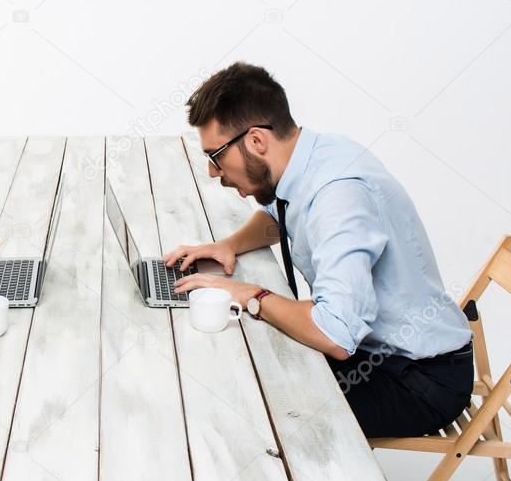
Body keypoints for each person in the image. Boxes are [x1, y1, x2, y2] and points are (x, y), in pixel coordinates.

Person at [165, 62, 473, 437]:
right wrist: (228, 245)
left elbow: (336, 336)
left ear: (257, 140)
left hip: (417, 381)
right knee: (244, 367)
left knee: (250, 412)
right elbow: (282, 214)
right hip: (381, 352)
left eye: (215, 157)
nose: (214, 173)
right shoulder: (313, 156)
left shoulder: (339, 193)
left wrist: (248, 294)